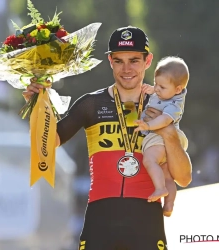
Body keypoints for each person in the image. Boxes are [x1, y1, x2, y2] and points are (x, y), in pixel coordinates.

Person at [23, 26, 192, 250]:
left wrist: (168, 132)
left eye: (134, 60)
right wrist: (38, 106)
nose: (127, 68)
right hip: (100, 215)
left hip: (146, 216)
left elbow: (184, 178)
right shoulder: (91, 104)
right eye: (119, 61)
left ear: (148, 61)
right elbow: (47, 144)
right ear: (110, 61)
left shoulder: (164, 106)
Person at [134, 56, 189, 217]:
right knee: (167, 175)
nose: (157, 88)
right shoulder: (166, 93)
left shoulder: (175, 105)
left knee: (150, 160)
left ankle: (160, 188)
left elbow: (165, 120)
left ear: (178, 89)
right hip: (166, 138)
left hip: (161, 137)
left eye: (161, 86)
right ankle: (169, 204)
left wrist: (148, 126)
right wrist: (152, 90)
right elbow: (158, 94)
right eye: (156, 83)